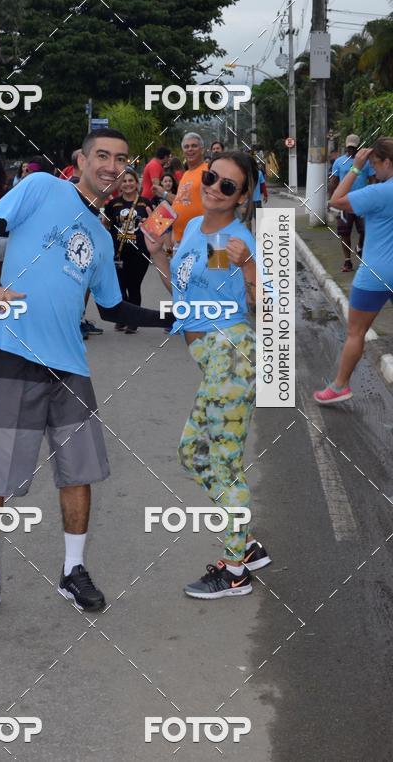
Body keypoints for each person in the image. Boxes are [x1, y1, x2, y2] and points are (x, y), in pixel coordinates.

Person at [0, 128, 175, 622]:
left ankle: (72, 571)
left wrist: (170, 316)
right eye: (102, 155)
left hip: (71, 368)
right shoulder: (41, 189)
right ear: (80, 159)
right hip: (13, 357)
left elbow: (114, 306)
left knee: (78, 474)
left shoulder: (102, 237)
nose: (111, 165)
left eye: (121, 159)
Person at [144, 150, 271, 598]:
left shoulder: (239, 242)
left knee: (223, 463)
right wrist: (158, 255)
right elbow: (188, 294)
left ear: (242, 198)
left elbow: (268, 309)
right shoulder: (197, 228)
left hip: (232, 358)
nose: (214, 188)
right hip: (207, 357)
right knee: (191, 455)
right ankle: (247, 545)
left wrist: (249, 266)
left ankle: (236, 570)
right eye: (212, 178)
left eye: (228, 186)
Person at [315, 138, 393, 405]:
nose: (374, 170)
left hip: (376, 273)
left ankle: (340, 386)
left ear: (387, 163)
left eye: (375, 164)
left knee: (356, 333)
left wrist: (356, 168)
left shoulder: (380, 192)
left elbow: (336, 200)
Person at [103, 167, 152, 333]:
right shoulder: (112, 204)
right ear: (119, 184)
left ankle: (133, 320)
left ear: (137, 183)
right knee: (119, 285)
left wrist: (149, 224)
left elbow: (156, 225)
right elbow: (106, 224)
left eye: (131, 180)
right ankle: (123, 317)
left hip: (140, 252)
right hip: (118, 252)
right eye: (124, 181)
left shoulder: (146, 203)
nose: (128, 184)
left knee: (134, 285)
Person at [329, 133, 375, 271]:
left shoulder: (366, 162)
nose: (350, 150)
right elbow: (333, 182)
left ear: (358, 147)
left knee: (365, 230)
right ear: (346, 147)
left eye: (353, 148)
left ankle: (359, 247)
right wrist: (331, 201)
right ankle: (347, 260)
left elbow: (373, 180)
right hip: (344, 202)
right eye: (348, 148)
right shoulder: (339, 162)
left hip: (362, 202)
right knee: (344, 232)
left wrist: (373, 198)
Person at [170, 132, 206, 247]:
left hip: (199, 237)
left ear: (202, 149)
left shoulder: (208, 171)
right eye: (186, 147)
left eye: (194, 146)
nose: (190, 149)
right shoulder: (185, 174)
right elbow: (180, 201)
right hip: (180, 238)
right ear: (183, 152)